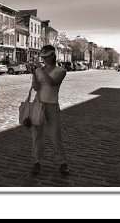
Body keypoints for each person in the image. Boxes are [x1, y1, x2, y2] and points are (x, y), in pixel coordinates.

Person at [30, 45, 69, 175]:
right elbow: (36, 88)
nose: (44, 59)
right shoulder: (39, 70)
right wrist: (34, 74)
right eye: (43, 57)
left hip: (52, 106)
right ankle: (37, 161)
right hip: (38, 104)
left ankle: (62, 162)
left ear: (53, 56)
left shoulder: (61, 71)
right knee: (37, 136)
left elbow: (52, 83)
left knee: (55, 136)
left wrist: (40, 69)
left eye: (46, 57)